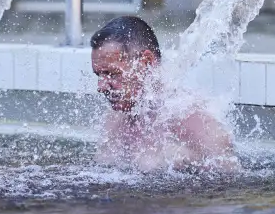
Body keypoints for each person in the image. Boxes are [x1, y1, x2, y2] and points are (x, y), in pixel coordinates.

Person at [89, 16, 240, 174]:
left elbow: (230, 186)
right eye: (99, 75)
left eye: (112, 74)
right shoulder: (115, 120)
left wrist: (188, 159)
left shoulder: (198, 125)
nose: (101, 87)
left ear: (146, 63)